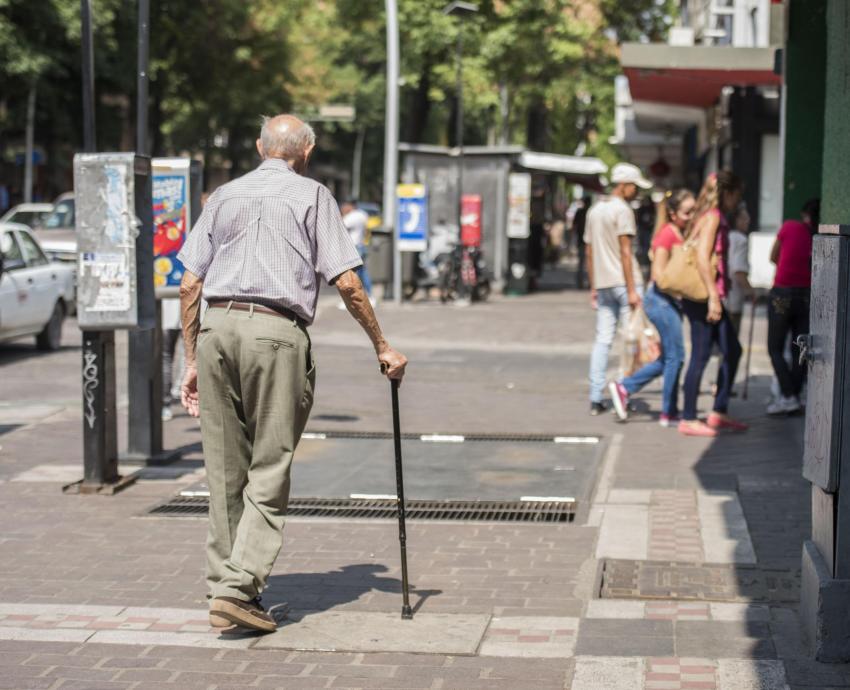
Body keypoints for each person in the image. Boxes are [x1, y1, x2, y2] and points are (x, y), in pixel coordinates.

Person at [177, 114, 408, 633]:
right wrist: (382, 344)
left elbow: (190, 285)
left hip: (217, 329)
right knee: (270, 464)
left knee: (223, 469)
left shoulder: (223, 197)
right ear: (307, 152)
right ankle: (239, 588)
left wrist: (192, 360)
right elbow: (347, 282)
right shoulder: (314, 196)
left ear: (261, 147)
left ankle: (225, 587)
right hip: (276, 333)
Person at [608, 189, 695, 426]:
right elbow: (658, 275)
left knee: (669, 357)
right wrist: (685, 287)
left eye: (693, 211)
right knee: (675, 357)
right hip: (661, 301)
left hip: (669, 301)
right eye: (687, 212)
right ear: (673, 213)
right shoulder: (667, 235)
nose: (691, 216)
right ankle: (668, 412)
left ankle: (624, 387)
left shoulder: (678, 232)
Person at [679, 171, 746, 437]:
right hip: (704, 298)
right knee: (701, 355)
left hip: (707, 296)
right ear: (727, 194)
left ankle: (718, 411)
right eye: (736, 196)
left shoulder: (706, 216)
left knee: (733, 350)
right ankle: (688, 418)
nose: (736, 202)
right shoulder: (712, 217)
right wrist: (714, 298)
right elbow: (703, 259)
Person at [585, 163, 653, 415]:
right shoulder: (622, 211)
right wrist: (632, 289)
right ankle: (623, 392)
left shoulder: (595, 211)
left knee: (602, 340)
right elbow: (626, 252)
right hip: (625, 283)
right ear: (624, 185)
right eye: (635, 187)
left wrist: (594, 285)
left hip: (603, 283)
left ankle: (595, 397)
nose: (636, 192)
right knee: (629, 341)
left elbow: (589, 251)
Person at [766, 198, 819, 416]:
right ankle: (794, 395)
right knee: (800, 348)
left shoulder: (789, 227)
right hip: (807, 294)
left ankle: (788, 396)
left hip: (782, 293)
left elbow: (773, 257)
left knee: (775, 348)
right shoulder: (818, 236)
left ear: (803, 213)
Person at [726, 203, 754, 335]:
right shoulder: (741, 240)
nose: (748, 221)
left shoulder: (725, 235)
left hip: (721, 298)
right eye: (744, 218)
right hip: (733, 298)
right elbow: (739, 270)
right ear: (735, 220)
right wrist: (750, 291)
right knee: (732, 345)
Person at [340, 200, 374, 304]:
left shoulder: (351, 217)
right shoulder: (363, 214)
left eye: (345, 206)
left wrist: (344, 214)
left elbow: (340, 226)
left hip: (353, 248)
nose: (343, 208)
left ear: (350, 205)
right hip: (361, 245)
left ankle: (352, 299)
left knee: (352, 275)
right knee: (363, 273)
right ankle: (370, 296)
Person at [161, 297, 182, 422]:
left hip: (166, 312)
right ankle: (180, 389)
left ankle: (166, 403)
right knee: (190, 356)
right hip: (189, 308)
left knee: (166, 357)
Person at [573, 196, 591, 289]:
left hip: (584, 240)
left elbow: (574, 226)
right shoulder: (589, 212)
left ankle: (584, 282)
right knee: (587, 262)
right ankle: (587, 282)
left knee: (583, 262)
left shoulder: (583, 212)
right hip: (586, 241)